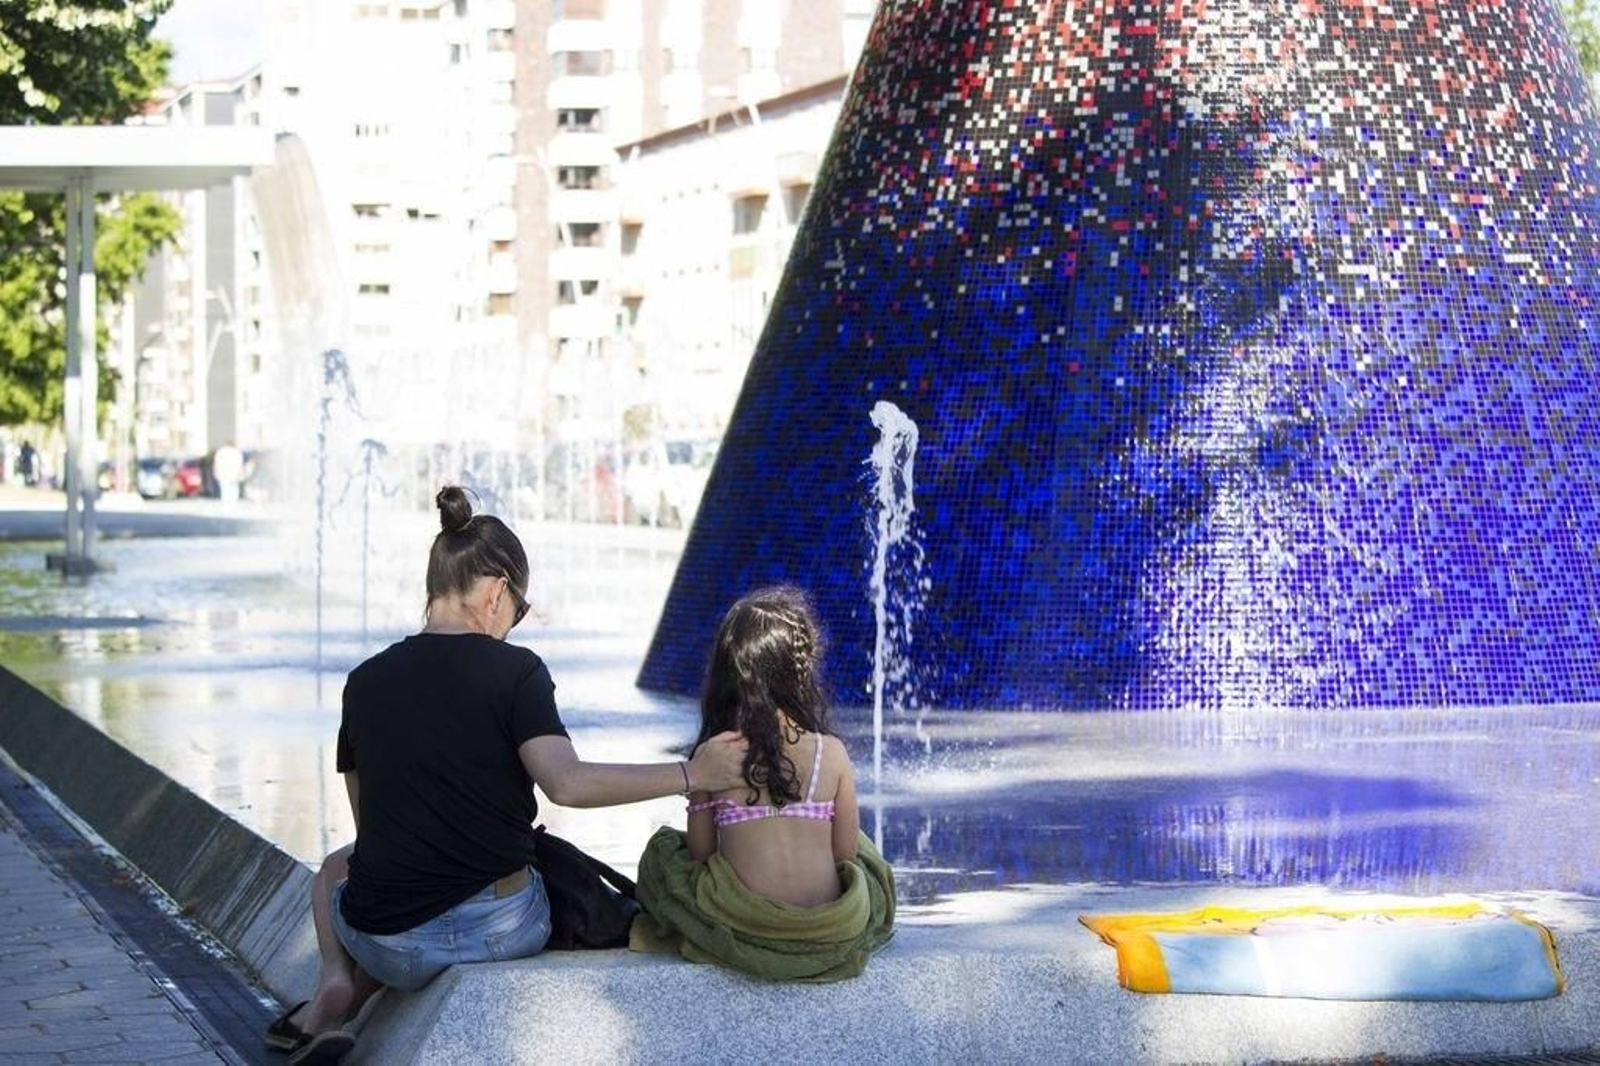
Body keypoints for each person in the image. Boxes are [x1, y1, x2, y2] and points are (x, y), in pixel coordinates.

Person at [266, 486, 750, 1064]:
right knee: (532, 868)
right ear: (497, 592)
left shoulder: (363, 682)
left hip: (384, 944)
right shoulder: (517, 672)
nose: (514, 625)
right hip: (499, 929)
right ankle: (356, 988)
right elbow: (566, 784)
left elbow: (372, 831)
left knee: (334, 869)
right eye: (518, 611)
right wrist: (692, 773)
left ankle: (336, 983)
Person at [629, 585, 896, 981]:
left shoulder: (712, 755)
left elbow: (702, 854)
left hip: (744, 923)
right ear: (802, 670)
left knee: (665, 851)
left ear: (726, 675)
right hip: (827, 928)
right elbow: (843, 853)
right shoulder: (831, 752)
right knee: (865, 852)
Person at [212, 441, 244, 506]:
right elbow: (240, 464)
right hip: (234, 473)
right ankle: (233, 502)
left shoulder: (221, 452)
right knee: (234, 488)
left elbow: (217, 463)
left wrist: (216, 472)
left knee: (225, 489)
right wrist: (241, 473)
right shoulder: (236, 452)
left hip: (223, 473)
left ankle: (226, 503)